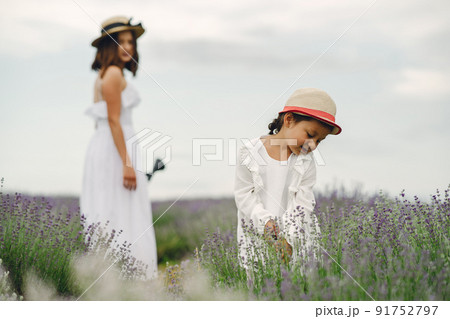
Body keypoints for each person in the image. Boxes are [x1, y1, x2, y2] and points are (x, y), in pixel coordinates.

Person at [80, 16, 157, 279]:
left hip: (109, 146)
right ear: (108, 46)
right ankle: (132, 277)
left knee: (111, 209)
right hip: (116, 149)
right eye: (121, 42)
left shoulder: (107, 74)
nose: (128, 47)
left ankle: (112, 277)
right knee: (122, 211)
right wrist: (126, 164)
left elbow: (105, 122)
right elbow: (113, 120)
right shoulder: (112, 73)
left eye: (131, 42)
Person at [234, 88, 342, 269]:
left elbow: (303, 203)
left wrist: (289, 242)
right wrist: (267, 225)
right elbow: (244, 196)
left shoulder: (305, 162)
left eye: (319, 141)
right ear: (289, 120)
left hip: (296, 241)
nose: (312, 145)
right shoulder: (250, 152)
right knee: (258, 285)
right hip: (255, 236)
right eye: (309, 135)